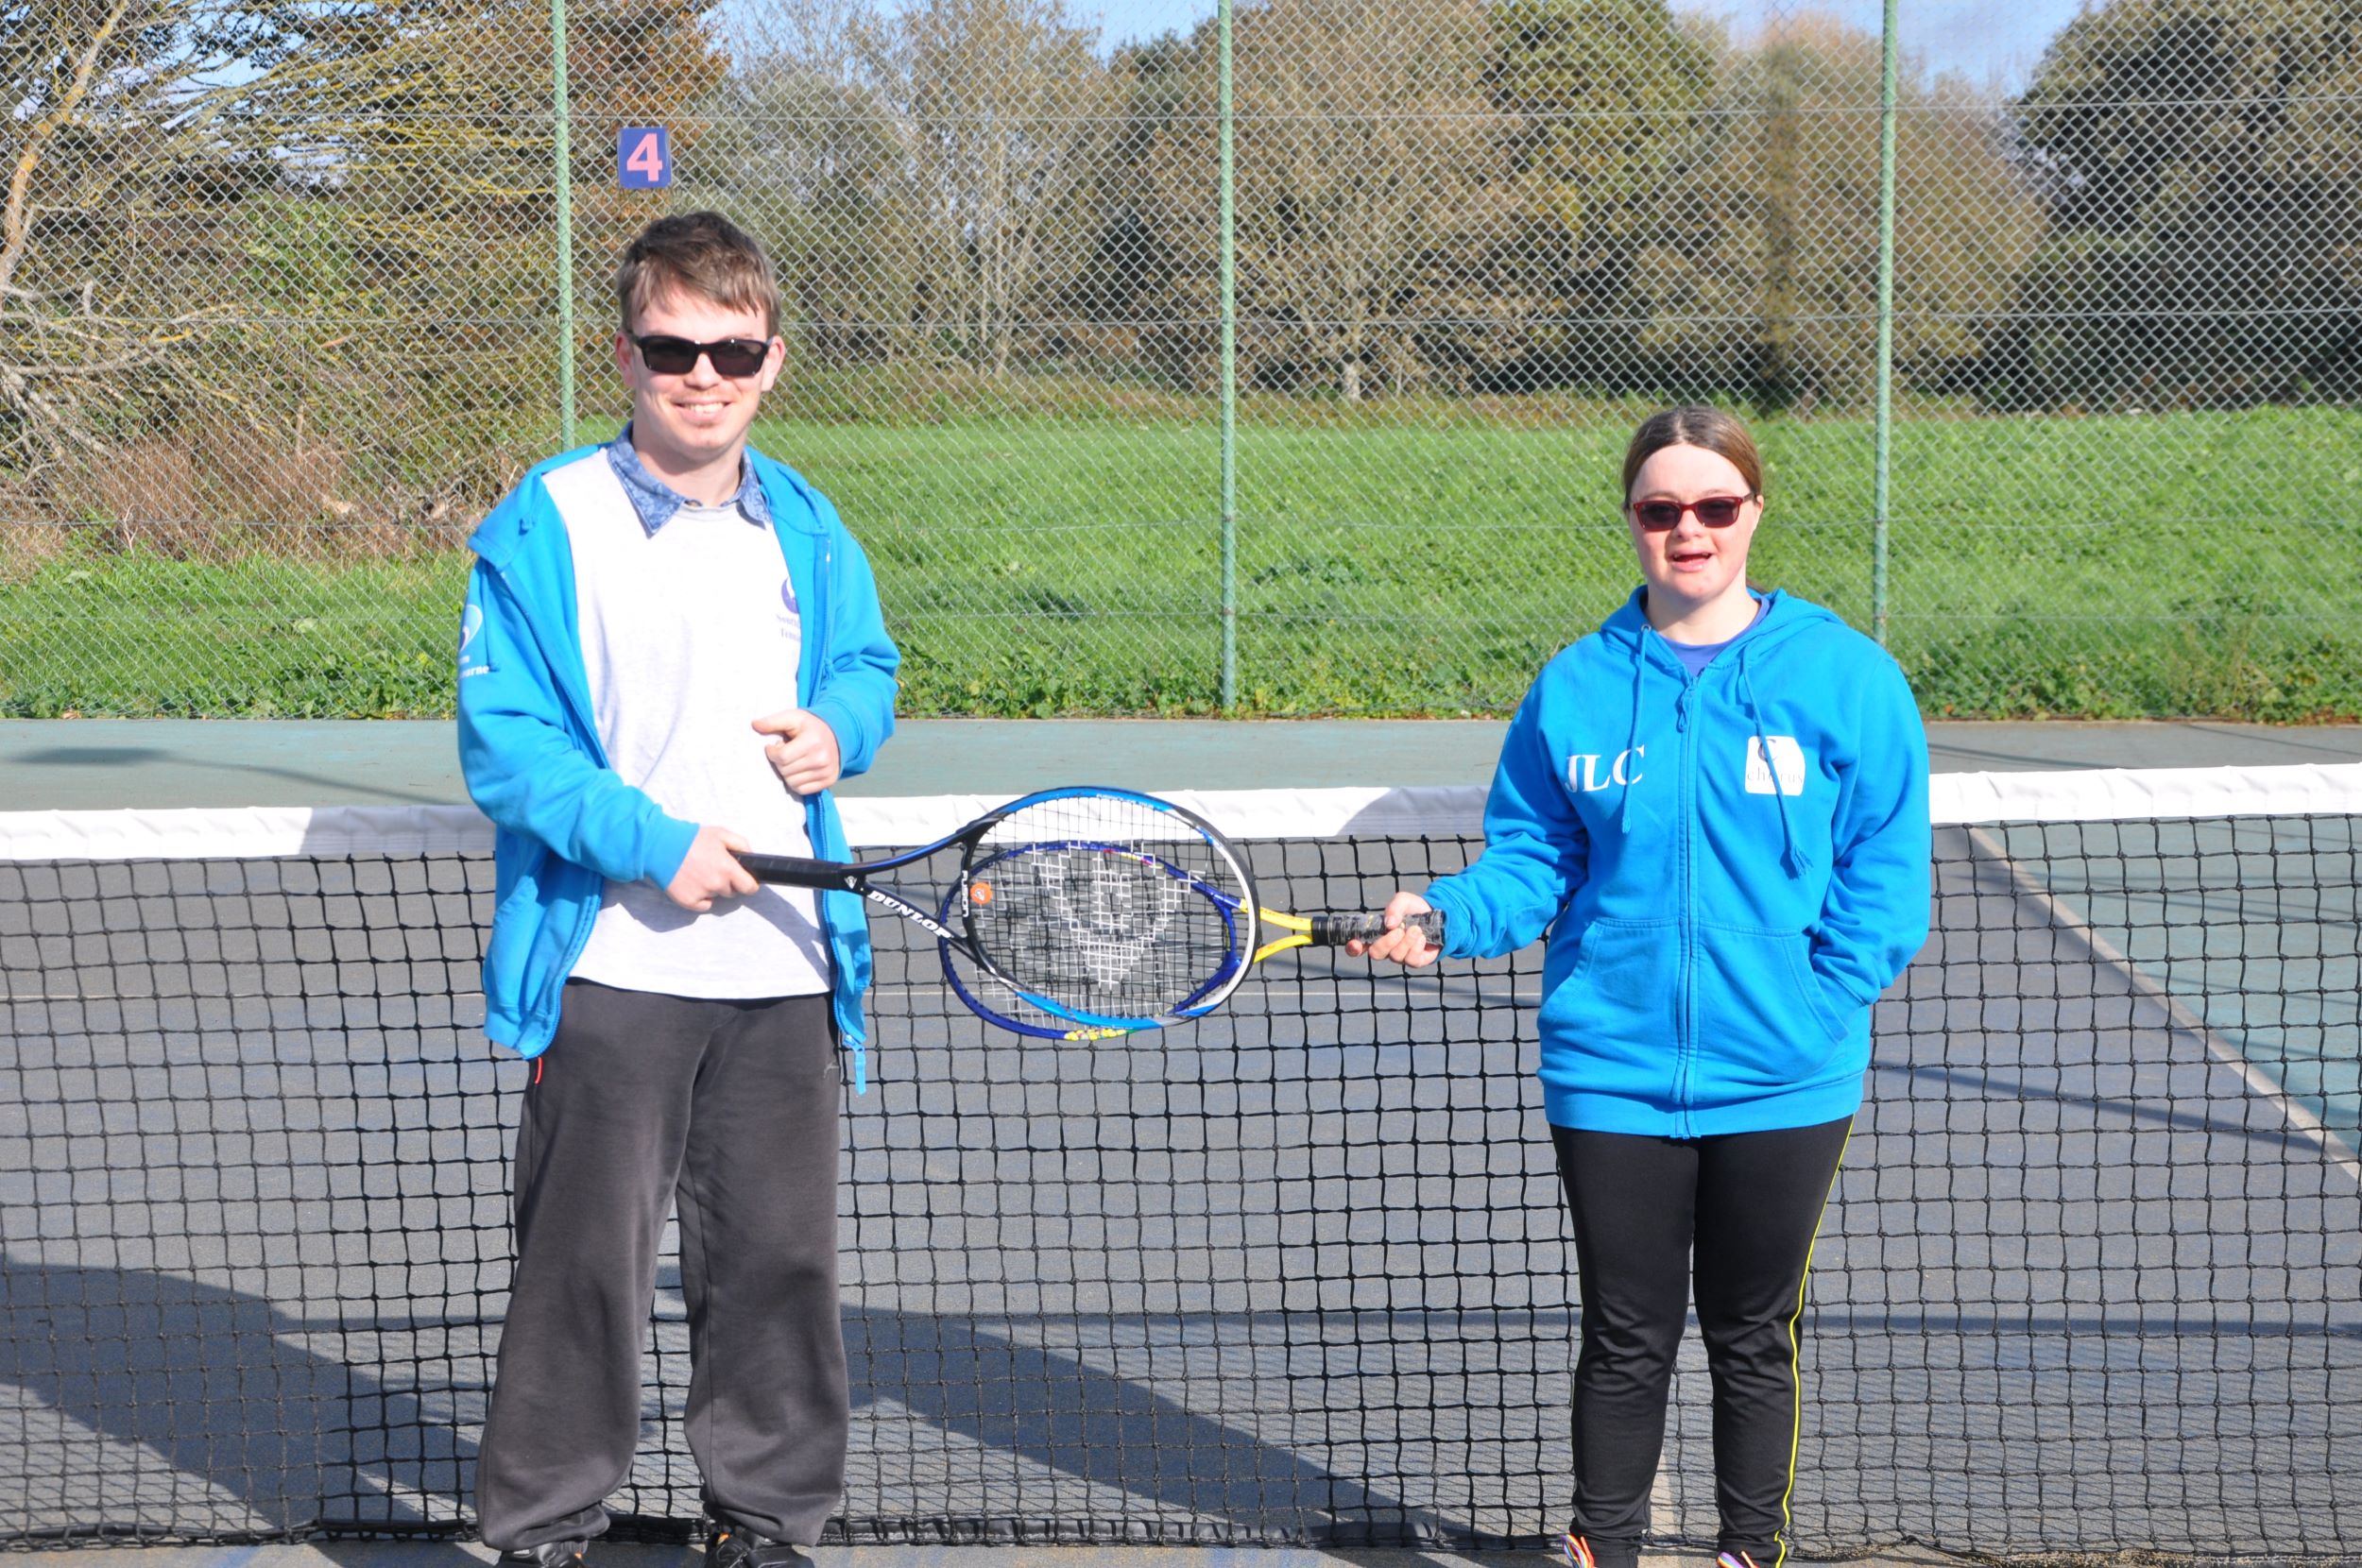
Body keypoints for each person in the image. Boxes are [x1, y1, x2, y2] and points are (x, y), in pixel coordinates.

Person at [1353, 406, 1930, 1568]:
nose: (1689, 530)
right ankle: (1601, 1548)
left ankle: (1744, 1553)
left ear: (1753, 512)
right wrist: (1449, 915)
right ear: (1632, 520)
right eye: (1661, 509)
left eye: (1714, 506)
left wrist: (1818, 1003)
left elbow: (1884, 869)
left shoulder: (1846, 678)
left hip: (1786, 1073)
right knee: (1625, 1333)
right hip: (1608, 1069)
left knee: (1753, 1334)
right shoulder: (1574, 687)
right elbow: (1535, 859)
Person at [455, 211, 899, 1568]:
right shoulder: (549, 522)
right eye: (670, 347)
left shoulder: (809, 525)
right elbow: (507, 749)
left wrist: (843, 727)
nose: (700, 374)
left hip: (785, 970)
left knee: (779, 1269)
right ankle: (543, 1526)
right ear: (624, 352)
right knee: (579, 1270)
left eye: (731, 349)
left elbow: (868, 669)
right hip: (612, 968)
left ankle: (764, 1525)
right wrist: (655, 844)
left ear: (773, 359)